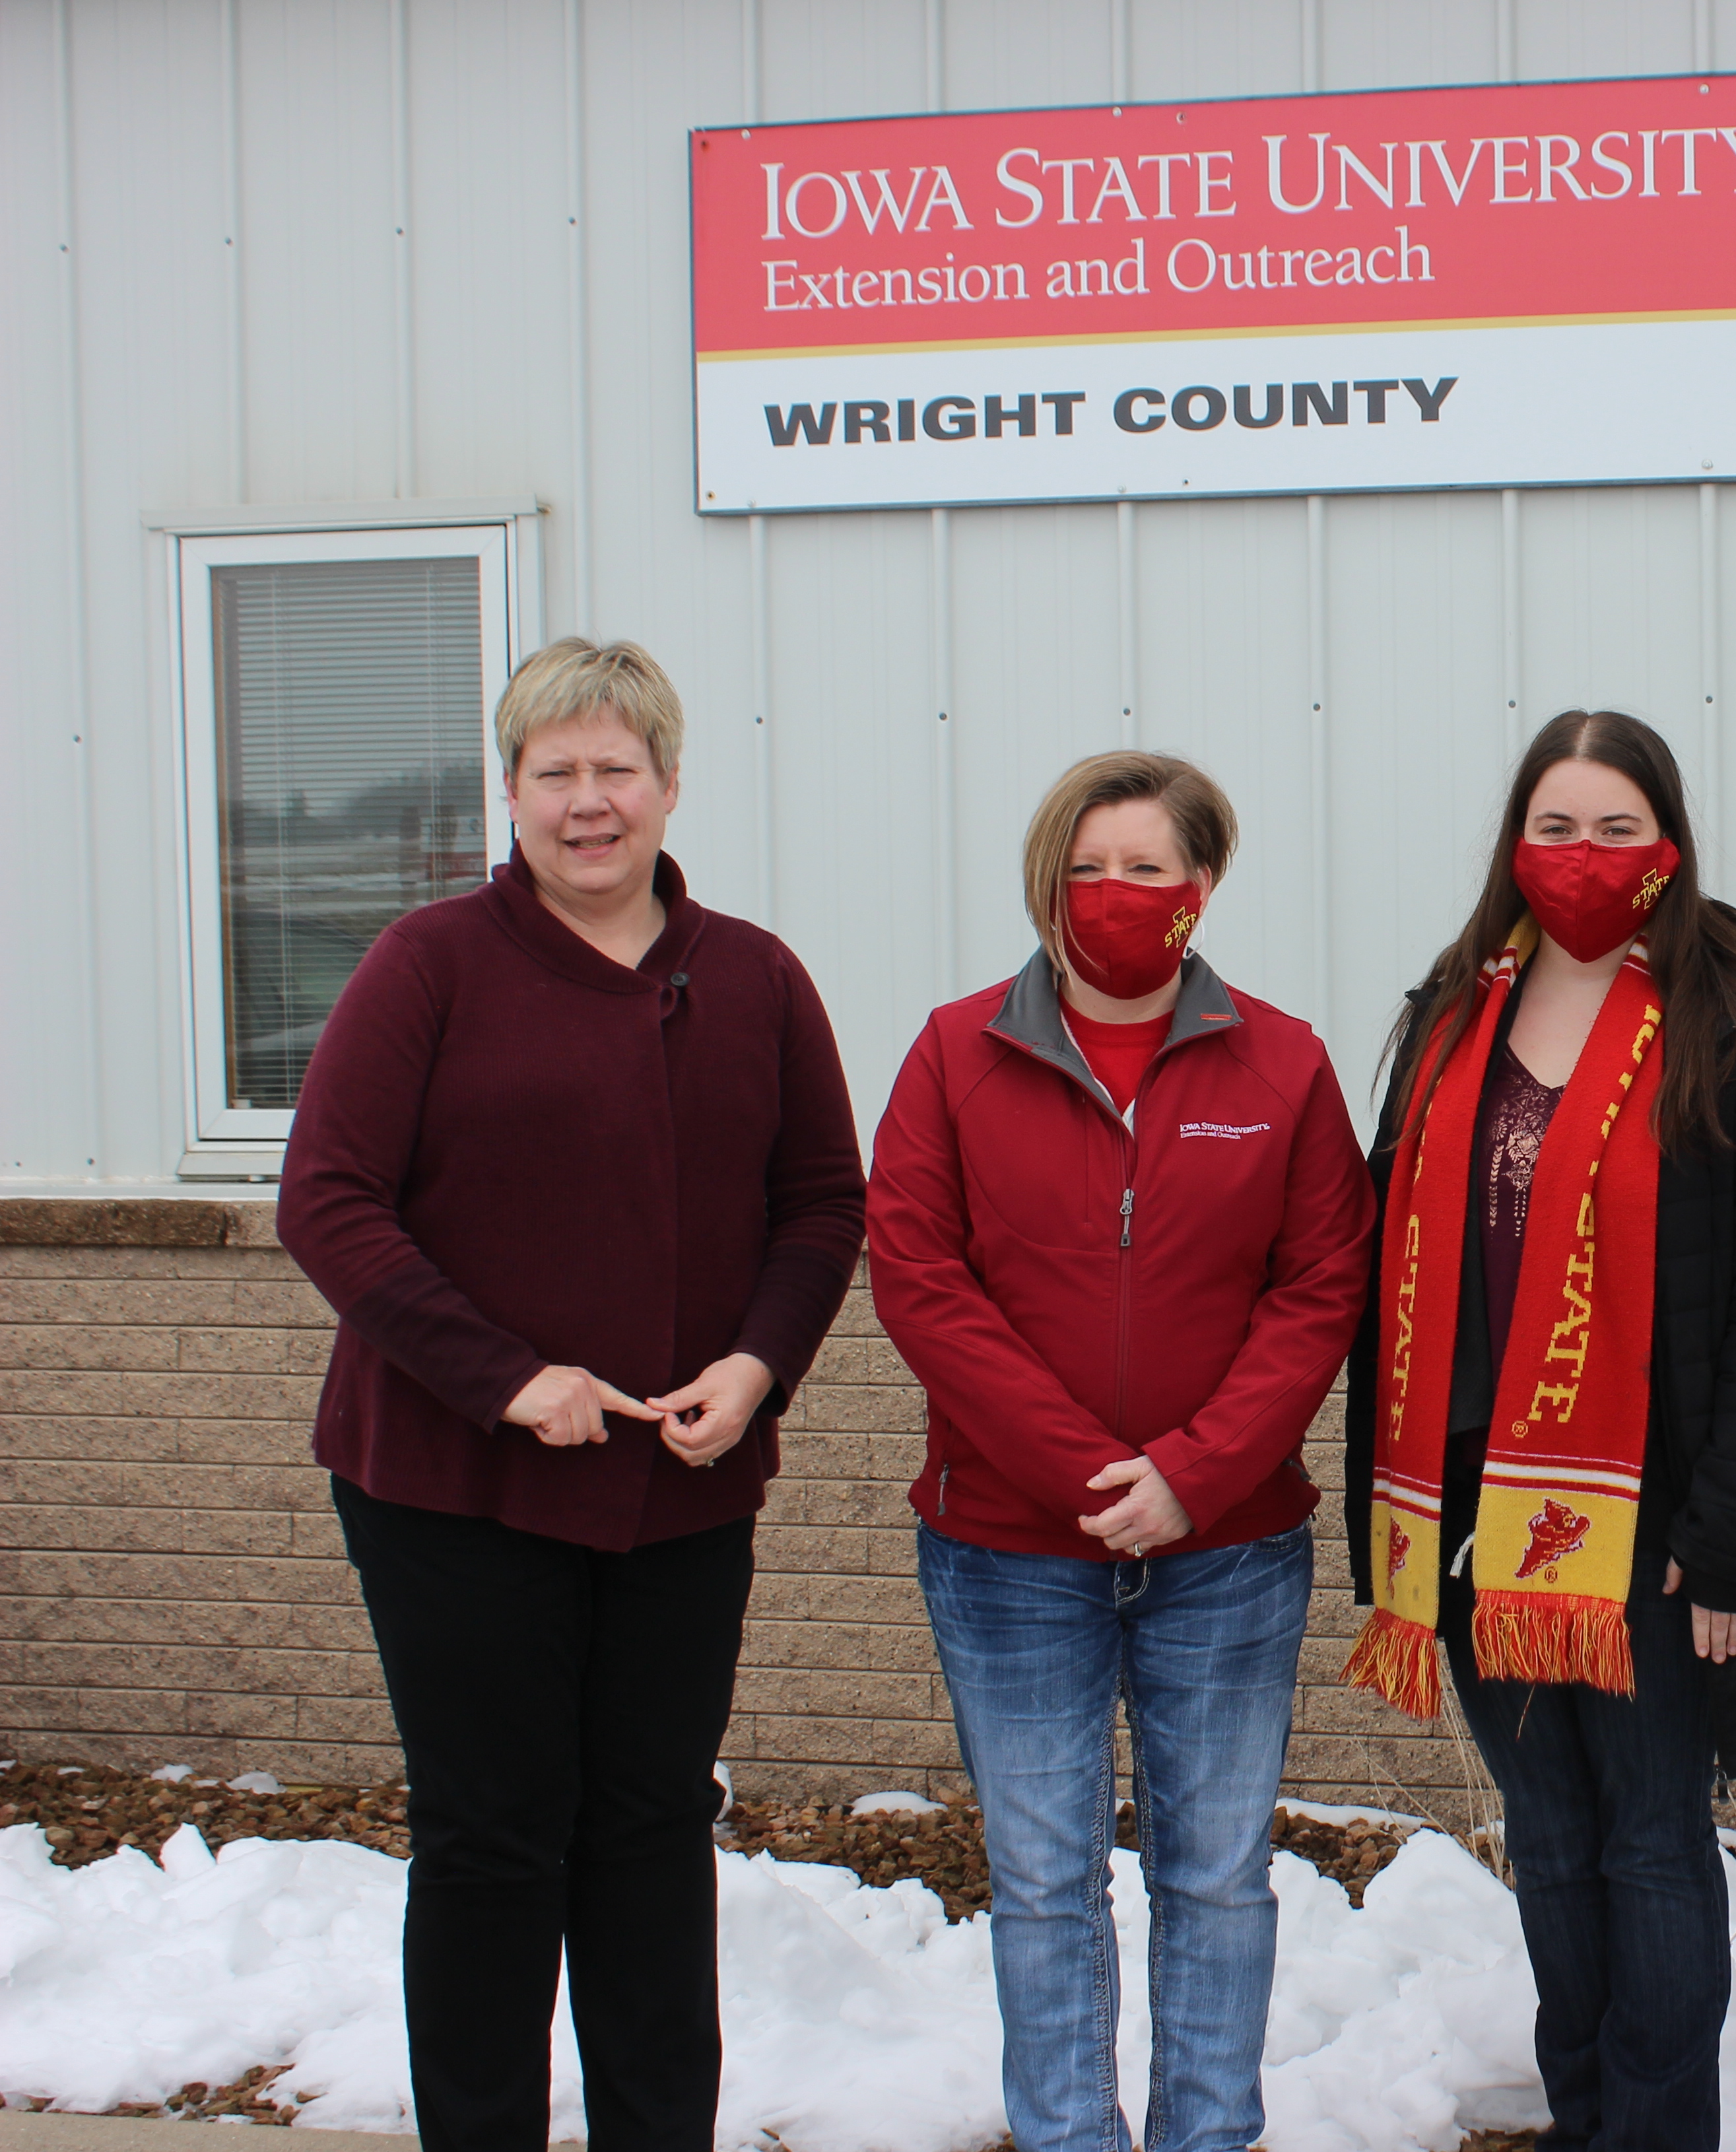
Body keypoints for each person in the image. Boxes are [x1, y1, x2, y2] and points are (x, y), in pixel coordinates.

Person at [277, 637, 865, 2152]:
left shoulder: (753, 977)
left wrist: (757, 1365)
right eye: (557, 774)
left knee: (653, 1829)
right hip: (453, 1489)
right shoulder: (431, 966)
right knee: (492, 1838)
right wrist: (507, 1378)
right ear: (515, 790)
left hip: (682, 1481)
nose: (589, 804)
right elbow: (331, 1203)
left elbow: (819, 1202)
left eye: (617, 770)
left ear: (669, 785)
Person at [1342, 709, 1736, 2152]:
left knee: (1648, 1844)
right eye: (1558, 826)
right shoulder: (1451, 1018)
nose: (1585, 857)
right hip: (1463, 1510)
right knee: (1556, 1840)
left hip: (1647, 1528)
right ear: (1518, 844)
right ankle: (1585, 2118)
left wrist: (1733, 1541)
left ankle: (1653, 2133)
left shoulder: (1733, 1034)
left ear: (1671, 848)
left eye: (1618, 828)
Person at [865, 752, 1372, 2152]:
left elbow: (1322, 1282)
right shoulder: (957, 1052)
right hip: (1009, 1553)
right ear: (1048, 882)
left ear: (1200, 889)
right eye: (1088, 869)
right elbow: (918, 1275)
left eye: (1147, 869)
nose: (1114, 896)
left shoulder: (1282, 1063)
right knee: (1042, 1878)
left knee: (1215, 1878)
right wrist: (1084, 1475)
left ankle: (1208, 2136)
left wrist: (1195, 1474)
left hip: (1229, 1551)